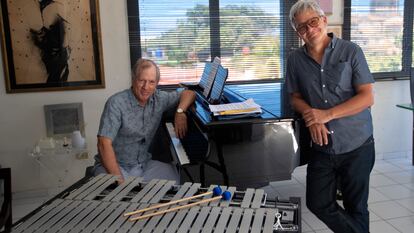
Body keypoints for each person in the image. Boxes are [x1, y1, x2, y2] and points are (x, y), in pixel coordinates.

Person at [286, 1, 375, 232]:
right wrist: (311, 116)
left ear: (323, 20)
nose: (309, 29)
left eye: (313, 21)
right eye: (302, 27)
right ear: (298, 32)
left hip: (357, 144)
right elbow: (294, 97)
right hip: (322, 147)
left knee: (357, 206)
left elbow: (367, 98)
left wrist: (325, 115)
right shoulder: (295, 60)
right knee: (318, 203)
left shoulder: (351, 51)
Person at [93, 58, 196, 184]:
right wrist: (119, 181)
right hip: (114, 165)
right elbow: (103, 144)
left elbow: (189, 93)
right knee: (119, 195)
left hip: (143, 166)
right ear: (133, 79)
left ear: (156, 83)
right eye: (142, 81)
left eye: (151, 82)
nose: (146, 87)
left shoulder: (159, 98)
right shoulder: (116, 103)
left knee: (173, 179)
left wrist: (180, 112)